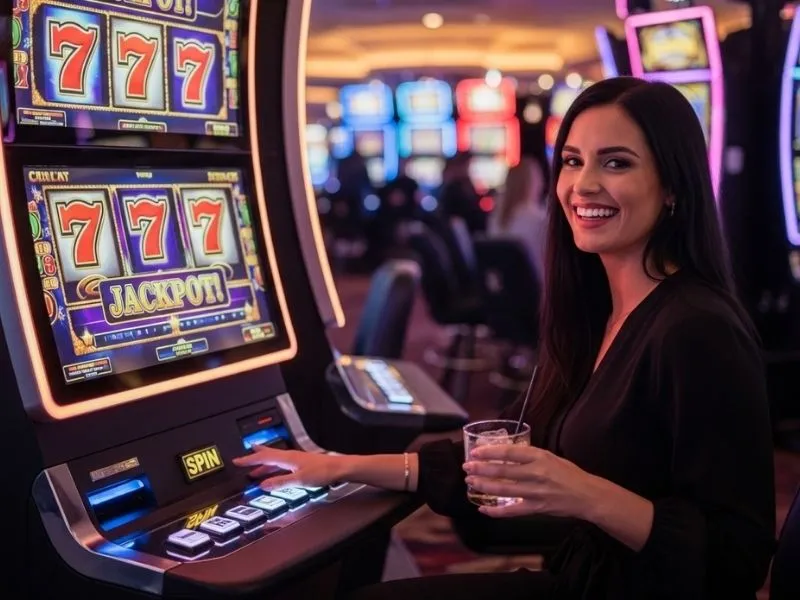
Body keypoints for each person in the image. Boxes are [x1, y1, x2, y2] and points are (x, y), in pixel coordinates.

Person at [233, 77, 776, 599]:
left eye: (616, 162)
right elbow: (507, 451)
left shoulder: (697, 330)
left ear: (674, 186)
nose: (583, 185)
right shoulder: (596, 314)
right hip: (582, 580)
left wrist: (585, 495)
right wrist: (340, 465)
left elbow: (737, 560)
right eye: (572, 161)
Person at [488, 156, 549, 288]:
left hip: (502, 295)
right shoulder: (540, 220)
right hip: (537, 294)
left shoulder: (495, 218)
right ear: (534, 183)